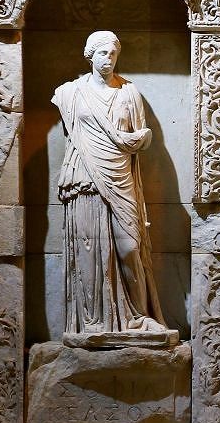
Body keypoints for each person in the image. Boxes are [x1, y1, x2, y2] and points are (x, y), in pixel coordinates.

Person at [54, 30, 170, 342]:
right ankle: (93, 324)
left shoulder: (129, 92)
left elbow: (138, 135)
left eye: (113, 54)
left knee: (130, 248)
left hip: (121, 176)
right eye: (102, 53)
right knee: (90, 253)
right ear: (89, 55)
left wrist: (140, 138)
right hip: (84, 179)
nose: (108, 59)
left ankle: (138, 317)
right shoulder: (69, 93)